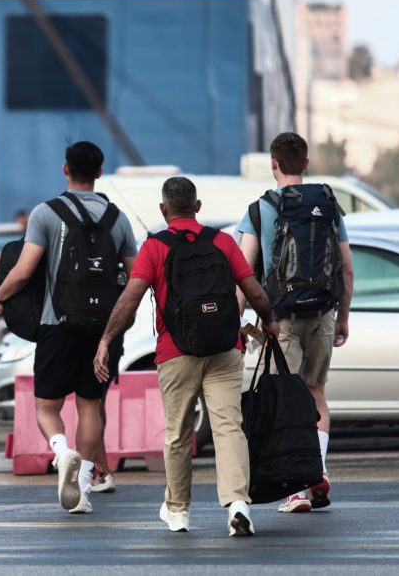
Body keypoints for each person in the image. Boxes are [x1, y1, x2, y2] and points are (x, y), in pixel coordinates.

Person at [95, 176, 280, 536]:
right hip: (225, 348)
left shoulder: (154, 247)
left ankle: (178, 511)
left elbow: (129, 300)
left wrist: (106, 339)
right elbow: (253, 289)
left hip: (176, 352)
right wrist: (269, 320)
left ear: (164, 210)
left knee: (179, 433)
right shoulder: (223, 242)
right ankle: (238, 503)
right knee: (229, 427)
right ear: (198, 206)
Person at [0, 141, 138, 515]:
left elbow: (23, 272)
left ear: (65, 169)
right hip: (100, 330)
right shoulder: (117, 218)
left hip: (55, 324)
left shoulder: (45, 213)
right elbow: (135, 276)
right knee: (90, 406)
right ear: (100, 173)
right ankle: (84, 488)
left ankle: (62, 453)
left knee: (47, 408)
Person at [235, 132, 354, 514]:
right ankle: (318, 470)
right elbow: (346, 269)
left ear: (274, 164)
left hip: (280, 319)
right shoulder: (328, 205)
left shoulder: (259, 210)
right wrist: (343, 318)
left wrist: (234, 323)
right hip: (322, 313)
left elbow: (244, 274)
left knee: (285, 400)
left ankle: (297, 489)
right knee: (317, 392)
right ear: (305, 163)